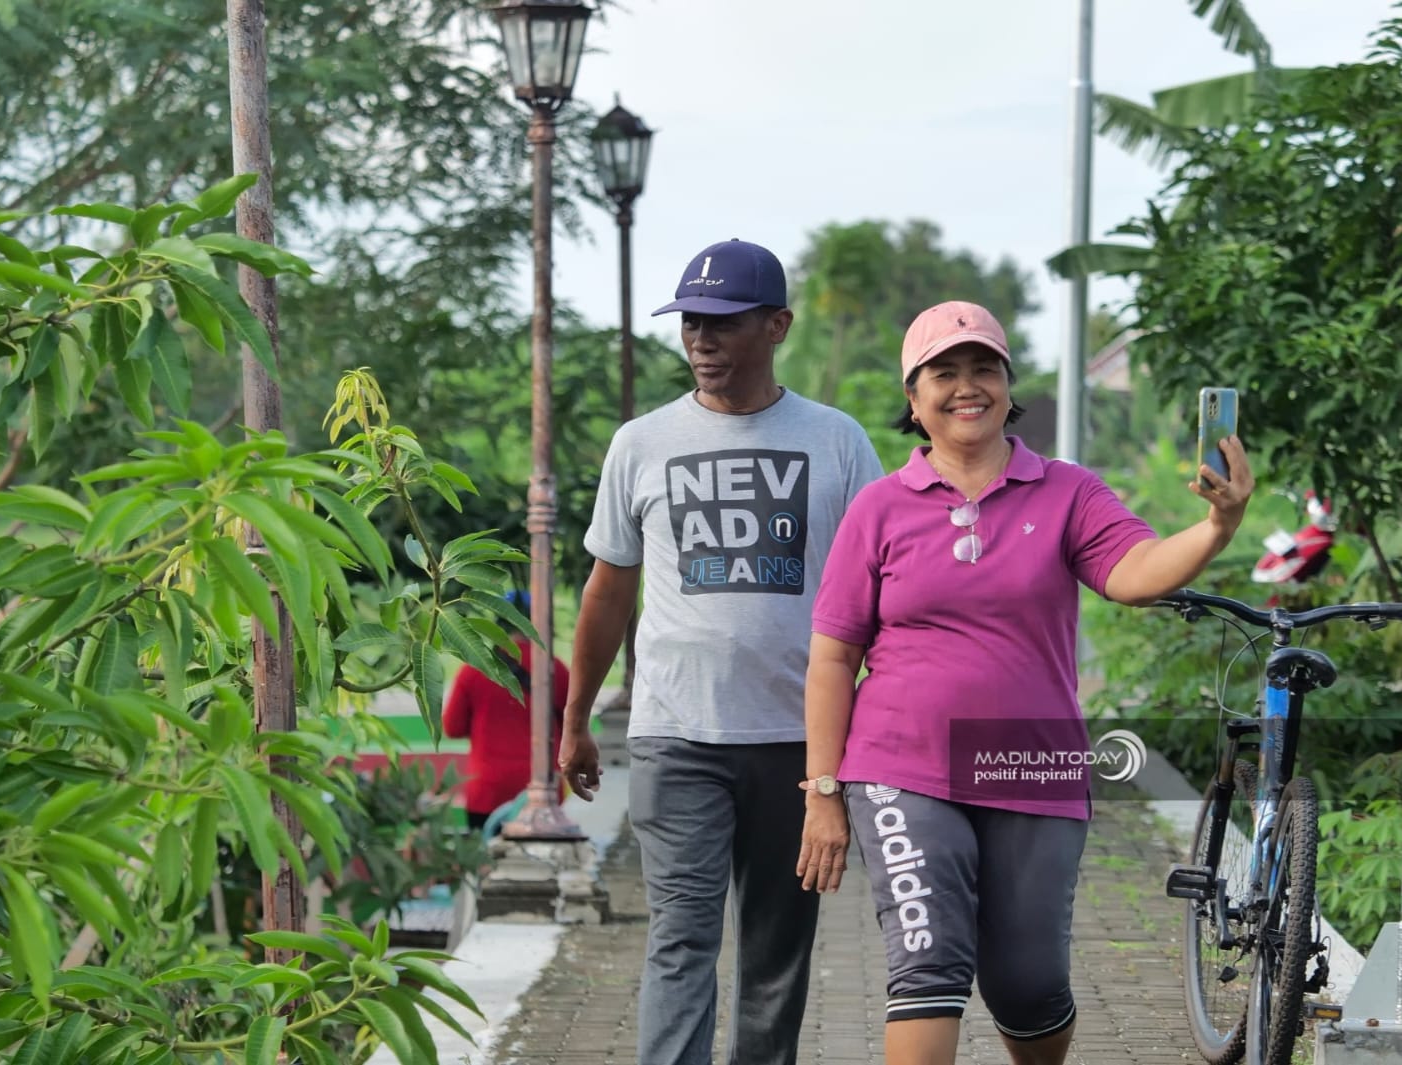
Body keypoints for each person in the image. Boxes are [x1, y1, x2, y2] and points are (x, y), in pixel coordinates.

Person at [795, 301, 1255, 1065]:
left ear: (1008, 386)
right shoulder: (878, 507)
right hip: (900, 763)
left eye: (984, 368)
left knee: (1027, 984)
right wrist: (822, 790)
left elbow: (1134, 573)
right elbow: (833, 656)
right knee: (927, 964)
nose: (965, 386)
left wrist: (1216, 526)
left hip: (1030, 764)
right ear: (913, 397)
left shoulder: (1067, 491)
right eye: (943, 373)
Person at [559, 238, 884, 1065]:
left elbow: (882, 593)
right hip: (676, 736)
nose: (700, 340)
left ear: (776, 325)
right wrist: (575, 717)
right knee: (681, 938)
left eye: (722, 323)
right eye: (689, 323)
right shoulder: (641, 443)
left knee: (776, 952)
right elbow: (607, 590)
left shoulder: (838, 442)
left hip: (797, 743)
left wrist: (866, 743)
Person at [442, 590, 568, 832]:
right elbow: (571, 725)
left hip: (488, 791)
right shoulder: (556, 670)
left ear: (497, 625)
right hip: (541, 790)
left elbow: (452, 728)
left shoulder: (475, 669)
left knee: (486, 854)